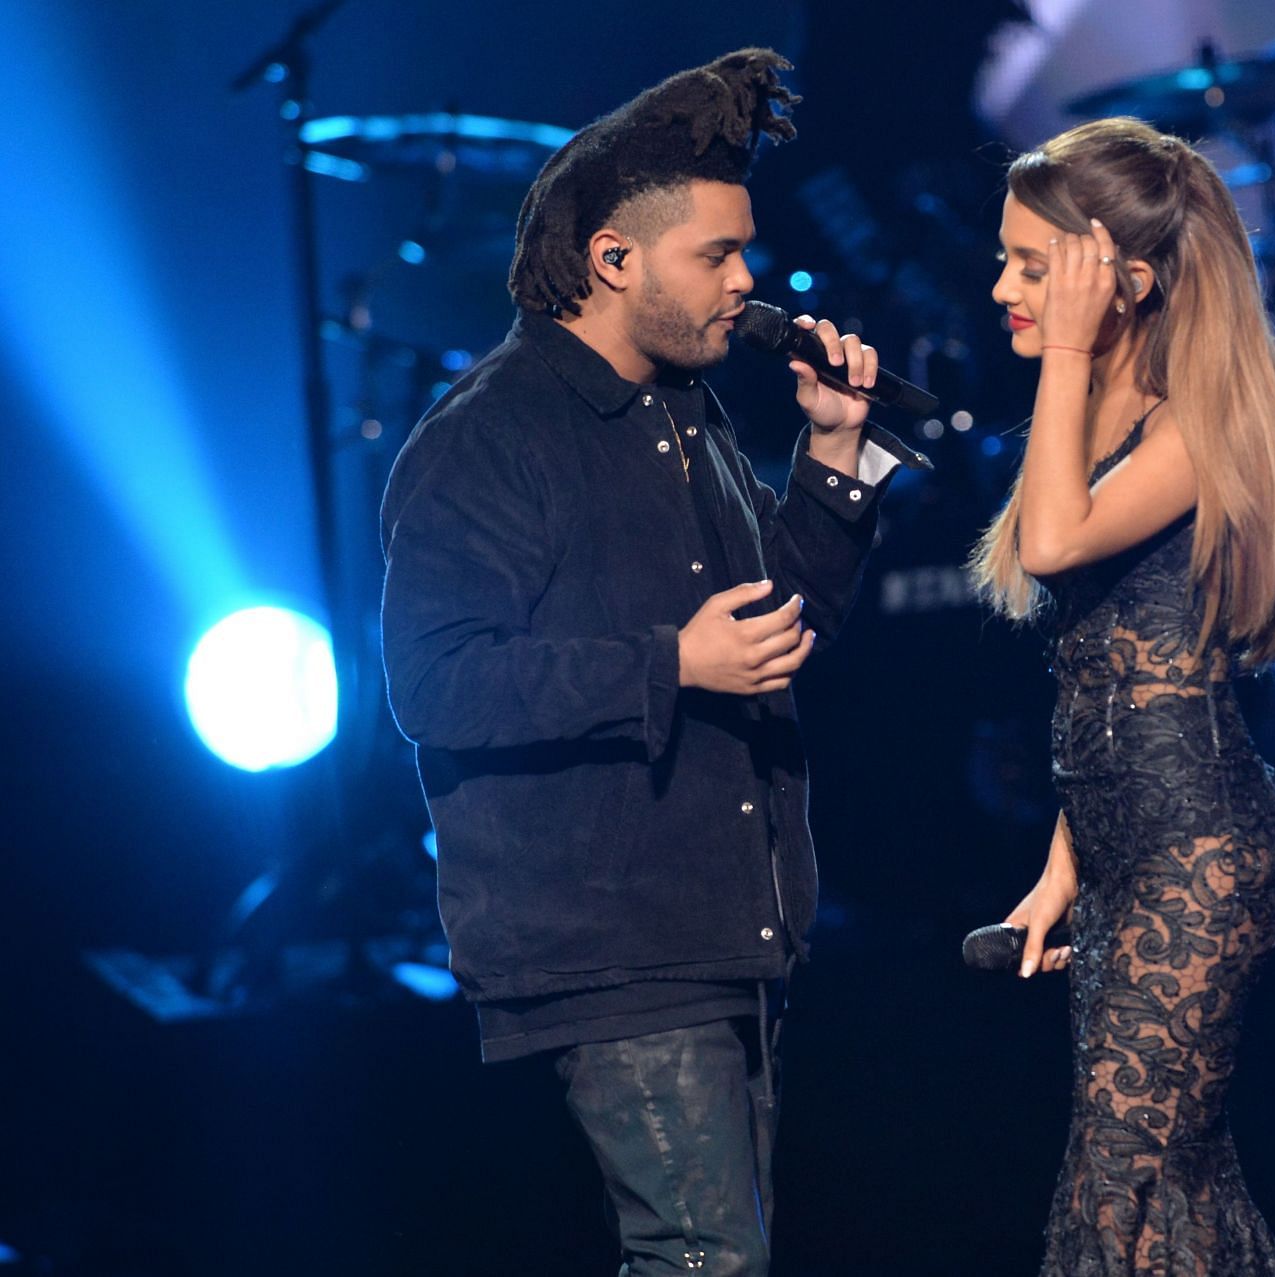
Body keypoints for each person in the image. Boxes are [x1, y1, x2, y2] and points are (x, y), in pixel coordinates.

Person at [379, 50, 924, 1277]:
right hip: (611, 940)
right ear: (615, 261)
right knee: (703, 1259)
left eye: (745, 253)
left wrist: (835, 462)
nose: (747, 282)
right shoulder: (490, 437)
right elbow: (435, 684)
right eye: (716, 257)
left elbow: (773, 634)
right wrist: (668, 662)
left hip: (731, 919)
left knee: (716, 1258)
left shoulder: (692, 413)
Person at [968, 117, 1275, 1276]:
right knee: (1179, 1189)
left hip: (1204, 857)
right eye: (1008, 261)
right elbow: (1112, 678)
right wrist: (1064, 870)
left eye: (1033, 266)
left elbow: (1057, 541)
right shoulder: (1101, 417)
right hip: (1132, 855)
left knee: (1117, 1194)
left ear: (1119, 280)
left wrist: (1066, 354)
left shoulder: (1192, 422)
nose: (1003, 289)